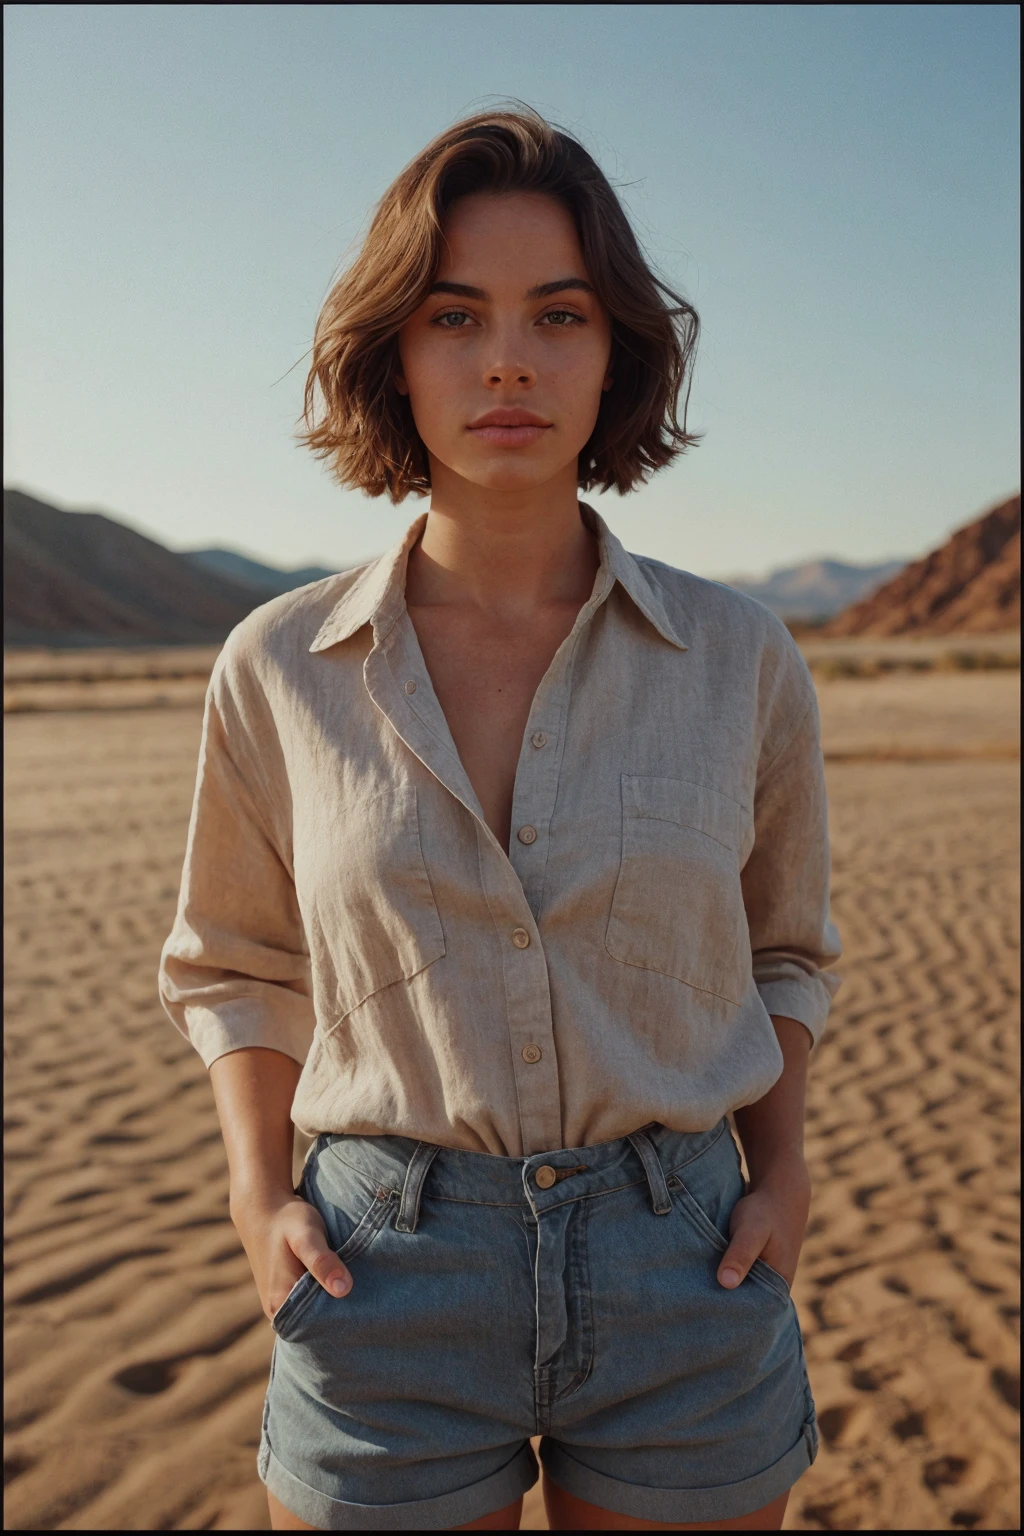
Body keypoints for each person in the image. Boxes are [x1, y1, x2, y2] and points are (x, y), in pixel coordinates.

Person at [159, 106, 841, 1532]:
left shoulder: (738, 660)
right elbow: (235, 963)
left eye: (561, 313)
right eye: (455, 314)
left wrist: (778, 1179)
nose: (510, 360)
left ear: (620, 353)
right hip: (380, 1276)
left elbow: (785, 950)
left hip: (687, 1266)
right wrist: (253, 1197)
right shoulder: (282, 666)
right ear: (394, 355)